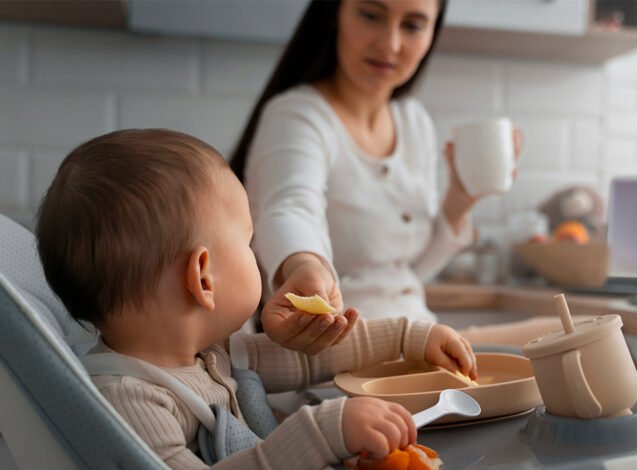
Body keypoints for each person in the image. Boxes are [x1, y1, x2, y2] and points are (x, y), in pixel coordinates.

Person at [35, 128, 478, 469]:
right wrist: (319, 435)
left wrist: (410, 338)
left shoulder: (210, 354)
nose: (256, 256)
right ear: (203, 277)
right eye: (247, 242)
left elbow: (310, 359)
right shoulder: (129, 400)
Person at [231, 0, 558, 354]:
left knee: (576, 333)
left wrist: (459, 202)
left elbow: (406, 274)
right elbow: (291, 208)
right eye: (371, 16)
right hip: (342, 355)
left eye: (413, 25)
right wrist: (306, 269)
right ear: (334, 13)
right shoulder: (297, 115)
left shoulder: (414, 123)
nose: (390, 44)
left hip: (419, 337)